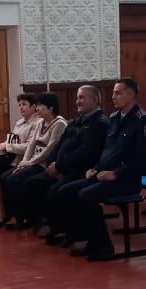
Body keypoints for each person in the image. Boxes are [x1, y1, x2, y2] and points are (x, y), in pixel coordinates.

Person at [50, 79, 146, 261]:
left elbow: (142, 160)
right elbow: (107, 151)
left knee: (86, 195)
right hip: (105, 174)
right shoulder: (114, 118)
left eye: (118, 93)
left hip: (126, 179)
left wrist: (116, 174)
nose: (113, 96)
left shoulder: (143, 121)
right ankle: (89, 239)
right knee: (67, 190)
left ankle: (104, 245)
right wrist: (95, 168)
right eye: (113, 92)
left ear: (131, 95)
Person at [34, 85, 110, 243]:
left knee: (59, 190)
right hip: (63, 168)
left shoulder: (100, 123)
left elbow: (86, 152)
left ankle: (73, 232)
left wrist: (60, 166)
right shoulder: (76, 121)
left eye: (82, 97)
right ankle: (57, 227)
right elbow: (59, 145)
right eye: (77, 98)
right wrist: (52, 163)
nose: (77, 101)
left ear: (95, 100)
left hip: (83, 170)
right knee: (38, 184)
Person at [0, 92, 67, 229]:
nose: (37, 109)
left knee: (17, 180)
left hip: (44, 163)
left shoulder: (59, 124)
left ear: (51, 108)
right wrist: (23, 163)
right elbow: (31, 144)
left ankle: (26, 218)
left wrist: (30, 163)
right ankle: (15, 216)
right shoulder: (40, 123)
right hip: (33, 161)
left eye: (41, 106)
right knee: (5, 177)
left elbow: (50, 149)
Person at [0, 93, 40, 228]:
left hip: (22, 160)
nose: (21, 108)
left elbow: (29, 147)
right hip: (11, 158)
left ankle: (2, 212)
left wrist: (8, 146)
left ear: (34, 106)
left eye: (24, 104)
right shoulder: (19, 122)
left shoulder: (37, 123)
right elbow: (12, 139)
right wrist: (4, 144)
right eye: (19, 105)